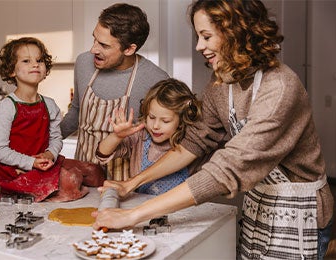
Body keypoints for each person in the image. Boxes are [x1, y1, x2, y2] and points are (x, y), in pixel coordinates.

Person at [92, 1, 334, 259]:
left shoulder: (280, 88)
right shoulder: (222, 83)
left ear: (237, 32)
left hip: (299, 211)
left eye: (206, 36)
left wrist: (133, 215)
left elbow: (227, 168)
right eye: (198, 36)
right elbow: (192, 144)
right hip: (259, 204)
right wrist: (132, 184)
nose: (199, 46)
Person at [0, 37, 105, 203]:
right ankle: (50, 191)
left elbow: (56, 138)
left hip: (42, 162)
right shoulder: (8, 106)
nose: (35, 64)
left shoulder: (49, 104)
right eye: (26, 61)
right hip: (15, 166)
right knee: (71, 179)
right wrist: (31, 162)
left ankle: (56, 183)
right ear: (12, 71)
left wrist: (50, 154)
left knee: (94, 171)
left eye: (39, 60)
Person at [60, 3, 169, 181]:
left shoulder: (156, 79)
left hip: (124, 180)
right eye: (94, 39)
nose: (93, 49)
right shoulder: (83, 64)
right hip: (82, 174)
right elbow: (75, 113)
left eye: (104, 45)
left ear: (129, 49)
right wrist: (45, 146)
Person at [96, 78, 202, 195]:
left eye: (165, 121)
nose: (155, 126)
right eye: (151, 117)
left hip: (181, 212)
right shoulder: (140, 137)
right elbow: (102, 154)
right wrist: (117, 136)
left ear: (182, 121)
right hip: (141, 208)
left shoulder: (191, 143)